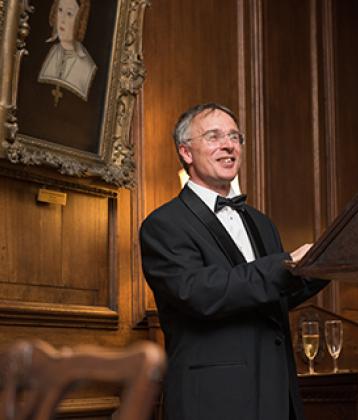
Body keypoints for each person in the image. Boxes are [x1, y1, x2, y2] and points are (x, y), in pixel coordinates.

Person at [139, 103, 328, 420]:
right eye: (213, 137)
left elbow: (270, 295)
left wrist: (324, 266)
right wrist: (284, 264)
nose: (229, 145)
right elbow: (200, 294)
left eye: (235, 137)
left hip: (276, 395)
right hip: (214, 399)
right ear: (186, 152)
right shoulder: (164, 224)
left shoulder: (261, 222)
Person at [38, 0, 97, 101]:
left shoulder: (87, 66)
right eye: (60, 10)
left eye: (69, 14)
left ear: (80, 19)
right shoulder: (49, 52)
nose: (62, 20)